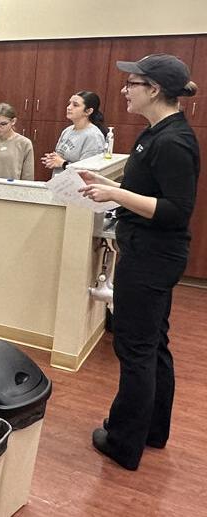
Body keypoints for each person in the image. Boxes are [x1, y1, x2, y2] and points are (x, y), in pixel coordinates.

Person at [80, 54, 199, 471]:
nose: (124, 90)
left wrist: (116, 196)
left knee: (135, 350)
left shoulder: (174, 141)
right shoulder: (157, 134)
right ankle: (152, 430)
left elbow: (174, 210)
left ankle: (123, 442)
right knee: (152, 344)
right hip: (148, 253)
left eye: (132, 83)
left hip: (152, 257)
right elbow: (147, 189)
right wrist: (109, 185)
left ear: (154, 90)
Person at [42, 90, 107, 175]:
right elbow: (60, 156)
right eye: (69, 103)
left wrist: (63, 163)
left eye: (75, 105)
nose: (69, 107)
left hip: (77, 186)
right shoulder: (67, 130)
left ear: (88, 111)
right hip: (59, 183)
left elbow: (88, 172)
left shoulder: (93, 136)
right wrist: (52, 159)